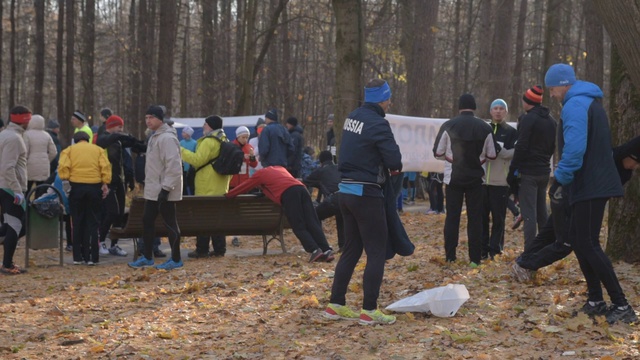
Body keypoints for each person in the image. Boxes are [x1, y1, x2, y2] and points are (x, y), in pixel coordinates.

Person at [543, 63, 637, 324]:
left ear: (563, 84)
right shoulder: (588, 101)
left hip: (590, 183)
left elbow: (574, 149)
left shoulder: (575, 105)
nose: (552, 94)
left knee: (588, 243)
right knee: (578, 239)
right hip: (590, 182)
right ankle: (596, 300)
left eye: (552, 88)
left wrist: (559, 179)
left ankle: (621, 305)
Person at [323, 79, 402, 325]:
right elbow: (394, 160)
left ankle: (335, 304)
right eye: (389, 98)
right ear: (383, 99)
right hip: (366, 193)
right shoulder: (379, 123)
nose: (390, 103)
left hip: (345, 191)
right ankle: (369, 310)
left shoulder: (352, 117)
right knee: (376, 251)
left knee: (351, 249)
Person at [512, 136, 640, 282]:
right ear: (629, 155)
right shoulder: (606, 158)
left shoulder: (625, 173)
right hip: (572, 198)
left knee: (550, 233)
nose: (635, 167)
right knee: (565, 242)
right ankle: (525, 263)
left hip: (579, 201)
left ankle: (523, 263)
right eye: (636, 162)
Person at [433, 93, 499, 267]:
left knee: (452, 218)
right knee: (475, 219)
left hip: (453, 179)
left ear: (459, 107)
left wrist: (451, 158)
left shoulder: (448, 125)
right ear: (475, 107)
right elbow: (492, 154)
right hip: (476, 180)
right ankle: (475, 259)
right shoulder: (485, 127)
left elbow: (438, 152)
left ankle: (450, 256)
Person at [226, 166, 334, 262]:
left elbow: (244, 186)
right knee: (312, 221)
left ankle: (315, 249)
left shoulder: (259, 174)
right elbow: (279, 182)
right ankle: (326, 249)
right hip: (302, 188)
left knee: (298, 225)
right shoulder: (280, 168)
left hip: (289, 194)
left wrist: (228, 195)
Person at [128, 105, 183, 270]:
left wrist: (166, 189)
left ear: (160, 119)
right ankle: (147, 256)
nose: (148, 121)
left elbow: (174, 166)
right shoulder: (154, 137)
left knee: (170, 222)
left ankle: (176, 259)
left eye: (151, 117)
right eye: (146, 118)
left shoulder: (167, 138)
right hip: (153, 189)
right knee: (147, 220)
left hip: (165, 189)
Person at [508, 85, 556, 251]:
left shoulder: (528, 119)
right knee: (542, 213)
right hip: (544, 172)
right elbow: (552, 147)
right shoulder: (551, 120)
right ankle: (545, 249)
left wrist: (512, 171)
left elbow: (521, 147)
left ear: (527, 101)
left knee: (529, 215)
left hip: (528, 173)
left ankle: (529, 253)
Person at [181, 115, 232, 258]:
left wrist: (181, 151)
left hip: (207, 185)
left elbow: (197, 160)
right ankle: (219, 249)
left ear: (210, 126)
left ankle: (202, 249)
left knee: (202, 218)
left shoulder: (209, 141)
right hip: (221, 186)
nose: (203, 126)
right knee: (217, 219)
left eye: (205, 124)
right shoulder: (224, 139)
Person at [58, 131, 111, 265]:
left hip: (77, 188)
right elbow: (105, 166)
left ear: (75, 140)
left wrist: (66, 183)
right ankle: (93, 257)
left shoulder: (69, 151)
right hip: (94, 188)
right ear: (88, 140)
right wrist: (105, 183)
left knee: (77, 222)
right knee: (93, 222)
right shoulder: (98, 150)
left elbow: (63, 166)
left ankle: (78, 257)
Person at [96, 114, 141, 257]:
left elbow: (130, 151)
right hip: (107, 182)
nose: (121, 129)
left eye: (122, 126)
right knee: (111, 211)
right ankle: (101, 241)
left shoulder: (118, 141)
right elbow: (104, 142)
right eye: (119, 126)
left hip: (119, 180)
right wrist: (122, 135)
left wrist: (138, 143)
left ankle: (114, 245)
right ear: (111, 126)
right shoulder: (103, 137)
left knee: (119, 214)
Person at [481, 99, 517, 260]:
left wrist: (498, 151)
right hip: (481, 181)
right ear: (490, 111)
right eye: (495, 108)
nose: (498, 111)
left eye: (501, 108)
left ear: (506, 112)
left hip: (500, 181)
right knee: (482, 218)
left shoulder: (511, 131)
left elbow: (513, 153)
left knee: (498, 219)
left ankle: (495, 250)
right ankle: (482, 250)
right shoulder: (483, 129)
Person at [0, 106, 32, 274]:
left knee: (9, 226)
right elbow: (8, 167)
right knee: (16, 226)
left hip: (5, 186)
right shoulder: (14, 138)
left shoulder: (5, 134)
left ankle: (7, 262)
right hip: (10, 188)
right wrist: (17, 190)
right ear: (24, 120)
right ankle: (7, 264)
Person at [303, 150, 344, 251]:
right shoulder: (339, 168)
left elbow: (306, 181)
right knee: (341, 217)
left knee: (315, 216)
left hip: (333, 200)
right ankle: (343, 245)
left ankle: (320, 244)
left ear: (320, 161)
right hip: (345, 197)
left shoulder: (320, 171)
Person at [24, 114, 58, 192]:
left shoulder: (27, 134)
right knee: (41, 189)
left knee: (28, 189)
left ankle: (27, 203)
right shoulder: (46, 135)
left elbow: (25, 152)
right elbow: (54, 152)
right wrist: (47, 160)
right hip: (44, 166)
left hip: (30, 166)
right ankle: (38, 203)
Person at [180, 126, 197, 195]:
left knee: (192, 185)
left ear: (188, 134)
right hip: (182, 168)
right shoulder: (180, 142)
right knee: (183, 185)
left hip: (191, 169)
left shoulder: (195, 143)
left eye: (183, 132)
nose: (182, 134)